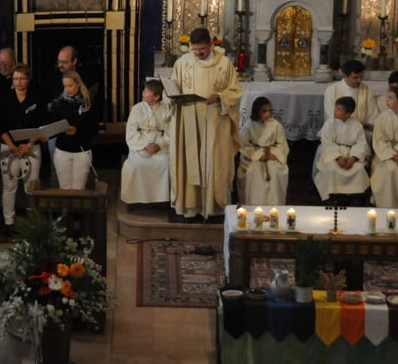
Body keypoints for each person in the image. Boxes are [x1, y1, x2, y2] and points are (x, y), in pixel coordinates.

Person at [169, 27, 242, 220]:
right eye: (195, 49)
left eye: (202, 49)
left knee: (214, 161)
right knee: (189, 161)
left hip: (215, 121)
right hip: (188, 120)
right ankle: (190, 205)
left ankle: (214, 207)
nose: (198, 53)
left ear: (210, 45)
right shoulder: (182, 63)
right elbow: (172, 87)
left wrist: (219, 97)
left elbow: (235, 92)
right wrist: (173, 98)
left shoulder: (225, 64)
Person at [0, 63, 45, 233]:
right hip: (9, 147)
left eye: (22, 78)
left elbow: (41, 125)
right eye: (15, 78)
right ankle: (8, 221)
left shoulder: (37, 98)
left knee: (31, 187)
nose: (18, 82)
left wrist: (29, 144)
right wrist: (11, 146)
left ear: (28, 80)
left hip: (31, 148)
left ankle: (33, 221)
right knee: (9, 187)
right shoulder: (4, 99)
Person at [312, 59, 374, 185]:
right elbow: (332, 118)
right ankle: (330, 189)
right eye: (355, 77)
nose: (359, 80)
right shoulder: (332, 90)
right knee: (328, 163)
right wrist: (338, 155)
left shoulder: (366, 90)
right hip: (335, 138)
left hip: (359, 137)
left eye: (361, 77)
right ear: (345, 75)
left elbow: (373, 117)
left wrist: (357, 127)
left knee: (360, 163)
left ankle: (357, 191)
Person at [120, 80, 172, 205]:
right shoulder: (137, 108)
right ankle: (136, 199)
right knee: (136, 164)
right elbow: (131, 132)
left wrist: (159, 145)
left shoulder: (166, 109)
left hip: (159, 147)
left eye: (147, 91)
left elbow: (169, 133)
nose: (143, 92)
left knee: (165, 163)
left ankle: (161, 200)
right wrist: (144, 146)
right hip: (140, 146)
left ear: (156, 96)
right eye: (144, 90)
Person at [49, 69, 100, 189]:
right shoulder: (58, 104)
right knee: (64, 188)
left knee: (79, 189)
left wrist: (77, 130)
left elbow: (94, 129)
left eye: (70, 85)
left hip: (82, 151)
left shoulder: (89, 103)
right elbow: (53, 126)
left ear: (78, 83)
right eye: (65, 86)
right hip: (62, 151)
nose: (67, 89)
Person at [315, 96, 370, 204]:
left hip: (351, 152)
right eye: (336, 108)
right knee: (332, 168)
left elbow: (361, 144)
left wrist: (353, 158)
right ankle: (333, 195)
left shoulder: (357, 125)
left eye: (339, 109)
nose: (335, 111)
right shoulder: (330, 123)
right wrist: (338, 157)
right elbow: (327, 143)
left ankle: (355, 195)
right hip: (333, 153)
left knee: (358, 169)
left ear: (348, 114)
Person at [236, 97, 289, 206]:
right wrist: (258, 155)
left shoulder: (276, 125)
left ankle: (274, 205)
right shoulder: (248, 125)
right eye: (264, 111)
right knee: (254, 171)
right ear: (257, 111)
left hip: (272, 153)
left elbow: (282, 144)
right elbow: (243, 144)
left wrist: (275, 155)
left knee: (275, 170)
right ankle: (254, 204)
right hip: (254, 155)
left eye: (270, 110)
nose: (268, 113)